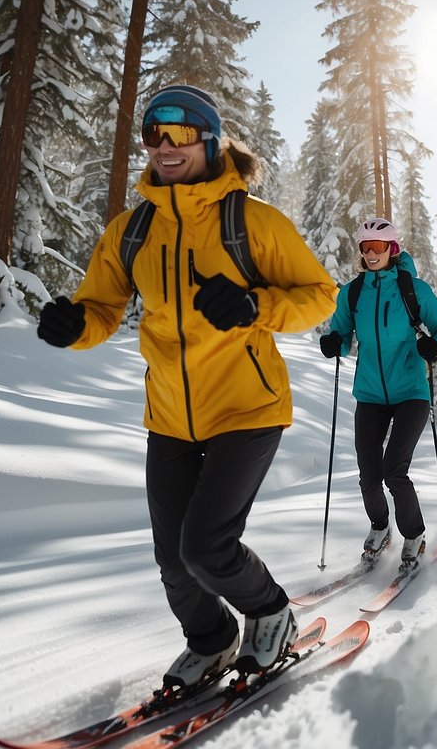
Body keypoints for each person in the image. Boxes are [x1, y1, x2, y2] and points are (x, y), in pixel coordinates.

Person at [36, 85, 337, 690]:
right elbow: (101, 305)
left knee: (206, 547)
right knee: (173, 560)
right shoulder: (132, 228)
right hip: (169, 413)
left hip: (248, 407)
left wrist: (254, 304)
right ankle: (213, 640)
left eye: (178, 134)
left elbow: (320, 297)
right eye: (152, 135)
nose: (163, 148)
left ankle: (270, 611)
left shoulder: (251, 221)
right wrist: (75, 327)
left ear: (208, 140)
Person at [318, 218, 437, 571]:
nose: (371, 253)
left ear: (392, 249)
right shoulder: (352, 292)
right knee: (368, 472)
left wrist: (435, 346)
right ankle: (381, 527)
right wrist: (335, 342)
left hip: (411, 390)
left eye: (378, 247)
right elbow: (342, 331)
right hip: (369, 393)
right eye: (365, 247)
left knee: (394, 470)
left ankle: (414, 534)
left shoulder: (414, 289)